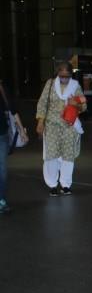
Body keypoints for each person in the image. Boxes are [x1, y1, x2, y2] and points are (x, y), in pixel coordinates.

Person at [36, 61, 87, 196]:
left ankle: (65, 185)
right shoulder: (50, 84)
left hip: (69, 126)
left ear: (71, 74)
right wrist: (40, 122)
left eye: (67, 76)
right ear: (58, 73)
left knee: (67, 156)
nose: (64, 78)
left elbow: (83, 106)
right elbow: (42, 103)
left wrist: (76, 104)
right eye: (62, 75)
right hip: (52, 125)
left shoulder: (75, 86)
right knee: (51, 155)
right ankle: (52, 184)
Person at [0, 79, 28, 214]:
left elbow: (13, 110)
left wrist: (22, 130)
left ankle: (1, 200)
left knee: (2, 171)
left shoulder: (2, 88)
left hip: (2, 135)